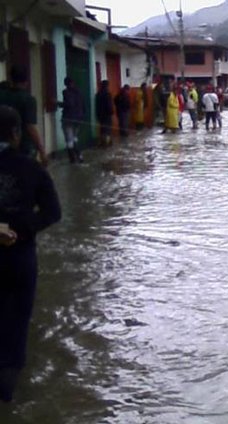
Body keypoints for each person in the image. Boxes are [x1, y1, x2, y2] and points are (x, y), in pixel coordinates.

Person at [0, 105, 61, 403]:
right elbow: (53, 212)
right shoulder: (31, 168)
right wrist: (23, 229)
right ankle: (7, 390)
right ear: (16, 134)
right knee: (18, 320)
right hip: (19, 255)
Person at [0, 65, 49, 166]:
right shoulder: (28, 99)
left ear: (11, 79)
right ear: (26, 81)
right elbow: (30, 127)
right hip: (23, 147)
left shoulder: (2, 95)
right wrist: (42, 151)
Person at [58, 77, 84, 163]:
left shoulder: (66, 92)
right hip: (78, 120)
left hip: (68, 119)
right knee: (74, 138)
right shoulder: (79, 92)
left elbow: (69, 104)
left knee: (69, 140)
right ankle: (80, 156)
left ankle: (72, 159)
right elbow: (82, 106)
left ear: (66, 84)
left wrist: (58, 103)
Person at [95, 80, 114, 147]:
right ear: (107, 86)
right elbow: (109, 105)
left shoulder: (98, 94)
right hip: (107, 115)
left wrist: (97, 115)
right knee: (108, 129)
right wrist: (112, 112)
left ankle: (103, 142)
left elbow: (97, 106)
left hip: (100, 115)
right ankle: (107, 142)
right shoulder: (107, 94)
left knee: (102, 129)